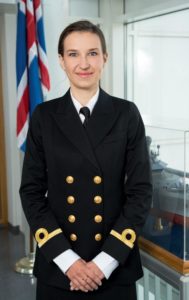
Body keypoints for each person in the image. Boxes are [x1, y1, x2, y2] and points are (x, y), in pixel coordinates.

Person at [19, 20, 152, 300]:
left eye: (92, 53)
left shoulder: (127, 114)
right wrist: (69, 262)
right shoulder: (44, 117)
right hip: (59, 269)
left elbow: (140, 193)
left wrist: (104, 263)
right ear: (61, 61)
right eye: (73, 54)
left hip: (115, 268)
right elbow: (31, 193)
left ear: (105, 58)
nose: (84, 63)